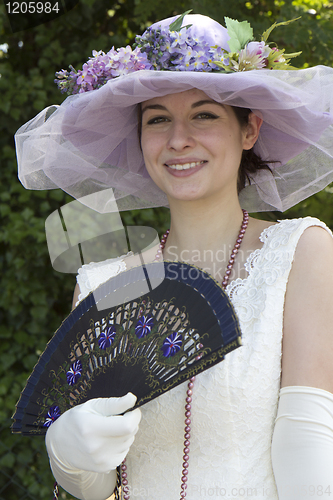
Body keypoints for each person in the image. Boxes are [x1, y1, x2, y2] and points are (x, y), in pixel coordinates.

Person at [15, 12, 333, 500]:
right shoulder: (99, 282)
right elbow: (99, 488)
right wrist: (72, 461)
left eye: (204, 115)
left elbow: (307, 446)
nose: (178, 140)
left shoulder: (303, 253)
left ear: (249, 130)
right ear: (140, 139)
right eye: (157, 119)